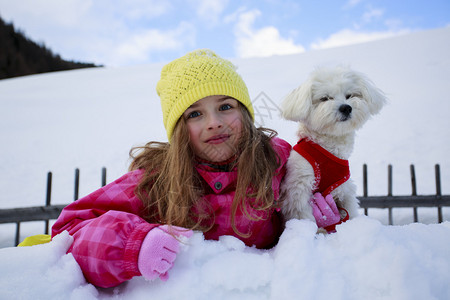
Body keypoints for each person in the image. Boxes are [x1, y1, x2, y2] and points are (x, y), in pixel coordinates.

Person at [51, 49, 292, 288]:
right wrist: (132, 243)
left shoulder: (276, 161)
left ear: (245, 113)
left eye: (226, 107)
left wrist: (318, 214)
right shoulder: (158, 179)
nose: (214, 122)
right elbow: (70, 229)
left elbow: (318, 201)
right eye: (195, 114)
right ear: (178, 131)